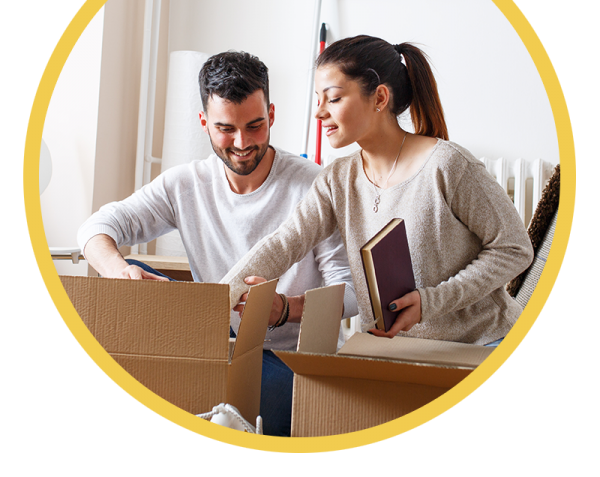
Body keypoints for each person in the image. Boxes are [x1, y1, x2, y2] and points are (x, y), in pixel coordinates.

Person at [77, 50, 358, 437]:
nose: (242, 142)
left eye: (255, 125)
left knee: (240, 399)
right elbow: (97, 227)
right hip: (212, 345)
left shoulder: (314, 185)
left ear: (272, 115)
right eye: (226, 128)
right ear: (204, 124)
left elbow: (353, 291)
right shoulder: (185, 184)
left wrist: (283, 310)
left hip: (291, 359)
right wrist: (117, 270)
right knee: (139, 281)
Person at [220, 35, 534, 347]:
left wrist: (430, 302)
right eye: (318, 99)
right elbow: (284, 243)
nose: (319, 113)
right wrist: (217, 301)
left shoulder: (447, 165)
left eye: (334, 98)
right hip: (393, 347)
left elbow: (514, 248)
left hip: (482, 344)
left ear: (380, 98)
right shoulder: (338, 179)